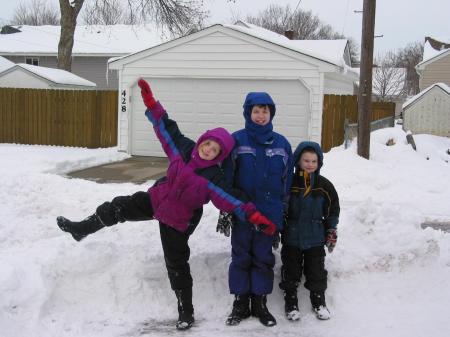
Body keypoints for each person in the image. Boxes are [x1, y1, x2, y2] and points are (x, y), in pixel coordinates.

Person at [56, 79, 277, 331]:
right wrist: (152, 104)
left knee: (176, 263)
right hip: (156, 200)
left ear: (219, 156)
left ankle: (186, 311)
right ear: (202, 141)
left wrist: (257, 217)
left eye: (215, 150)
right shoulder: (183, 150)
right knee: (117, 206)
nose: (208, 150)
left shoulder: (213, 178)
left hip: (179, 220)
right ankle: (83, 228)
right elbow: (165, 127)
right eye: (207, 144)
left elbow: (235, 200)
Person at [217, 92, 293, 327]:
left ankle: (260, 303)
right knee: (240, 256)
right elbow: (226, 178)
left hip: (269, 214)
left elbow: (286, 182)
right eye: (256, 111)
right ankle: (240, 303)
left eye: (265, 111)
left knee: (263, 257)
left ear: (272, 114)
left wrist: (284, 210)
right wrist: (227, 209)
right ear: (248, 113)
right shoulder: (236, 141)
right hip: (242, 212)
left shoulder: (282, 144)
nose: (261, 116)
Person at [279, 141, 340, 321]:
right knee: (291, 269)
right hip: (292, 236)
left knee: (316, 270)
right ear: (298, 160)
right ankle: (290, 300)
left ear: (319, 163)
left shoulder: (324, 185)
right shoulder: (288, 183)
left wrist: (331, 229)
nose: (310, 164)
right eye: (306, 160)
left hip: (315, 237)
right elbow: (280, 206)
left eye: (314, 161)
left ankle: (318, 300)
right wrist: (277, 227)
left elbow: (332, 209)